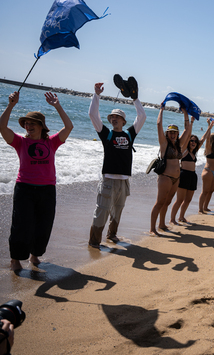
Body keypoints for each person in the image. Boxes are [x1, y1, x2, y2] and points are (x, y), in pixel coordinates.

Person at [1, 91, 73, 271]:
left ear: (41, 126)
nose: (28, 125)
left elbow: (69, 126)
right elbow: (2, 127)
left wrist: (57, 106)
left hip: (47, 189)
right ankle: (15, 259)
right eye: (26, 123)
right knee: (21, 225)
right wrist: (11, 105)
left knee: (44, 225)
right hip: (24, 188)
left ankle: (34, 255)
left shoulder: (52, 142)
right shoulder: (20, 142)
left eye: (32, 123)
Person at [88, 81, 146, 248]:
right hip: (108, 180)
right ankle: (94, 242)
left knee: (117, 210)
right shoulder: (106, 133)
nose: (113, 119)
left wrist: (135, 99)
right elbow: (93, 115)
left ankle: (112, 234)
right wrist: (96, 94)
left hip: (124, 180)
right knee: (101, 211)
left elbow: (142, 116)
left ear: (123, 120)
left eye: (116, 117)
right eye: (111, 117)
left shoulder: (129, 134)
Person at [149, 106, 192, 235]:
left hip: (176, 179)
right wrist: (161, 110)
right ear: (167, 134)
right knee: (159, 202)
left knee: (167, 202)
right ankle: (152, 228)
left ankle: (162, 224)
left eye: (175, 132)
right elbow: (158, 125)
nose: (173, 134)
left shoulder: (179, 145)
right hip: (165, 177)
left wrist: (185, 113)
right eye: (170, 132)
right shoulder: (164, 144)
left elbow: (188, 129)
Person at [170, 123, 211, 224]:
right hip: (183, 175)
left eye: (195, 141)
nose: (193, 142)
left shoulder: (194, 152)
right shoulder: (184, 151)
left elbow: (203, 138)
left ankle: (181, 217)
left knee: (188, 199)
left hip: (193, 176)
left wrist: (210, 127)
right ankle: (172, 219)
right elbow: (187, 135)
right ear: (188, 142)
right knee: (179, 199)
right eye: (191, 140)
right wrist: (191, 123)